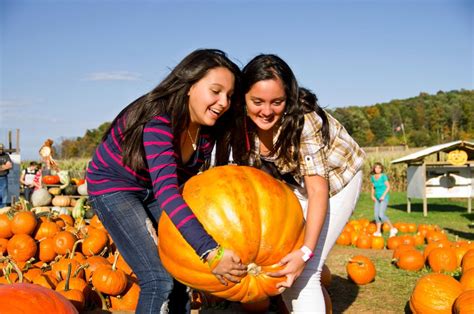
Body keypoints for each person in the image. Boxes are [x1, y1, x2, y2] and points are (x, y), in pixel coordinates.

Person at [86, 49, 246, 314]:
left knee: (180, 270)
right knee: (157, 278)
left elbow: (191, 187)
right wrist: (211, 252)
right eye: (215, 91)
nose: (223, 102)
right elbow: (169, 194)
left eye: (229, 96)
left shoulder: (207, 132)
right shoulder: (159, 121)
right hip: (114, 186)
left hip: (151, 187)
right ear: (189, 86)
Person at [229, 54, 365, 313]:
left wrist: (306, 252)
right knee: (283, 267)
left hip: (337, 181)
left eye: (276, 102)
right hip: (293, 184)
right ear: (243, 98)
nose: (267, 111)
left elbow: (317, 189)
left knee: (304, 272)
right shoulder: (238, 123)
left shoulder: (304, 119)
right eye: (257, 101)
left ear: (288, 98)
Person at [370, 162, 397, 237]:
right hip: (377, 198)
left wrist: (383, 196)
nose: (377, 169)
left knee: (381, 215)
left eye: (379, 168)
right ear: (374, 168)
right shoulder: (372, 177)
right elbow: (373, 187)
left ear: (381, 169)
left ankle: (392, 228)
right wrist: (372, 195)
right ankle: (378, 232)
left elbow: (388, 187)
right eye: (376, 167)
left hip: (384, 198)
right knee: (376, 215)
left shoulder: (383, 176)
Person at [0, 143, 13, 208]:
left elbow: (10, 165)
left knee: (4, 194)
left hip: (3, 177)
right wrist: (4, 166)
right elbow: (7, 165)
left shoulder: (6, 155)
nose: (0, 150)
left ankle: (3, 209)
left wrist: (1, 167)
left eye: (1, 149)